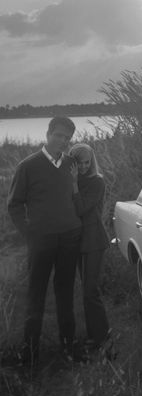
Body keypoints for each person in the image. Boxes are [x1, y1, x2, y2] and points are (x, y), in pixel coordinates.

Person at [7, 116, 82, 365]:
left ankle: (68, 348)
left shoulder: (71, 164)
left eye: (67, 138)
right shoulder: (28, 166)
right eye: (58, 135)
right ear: (48, 133)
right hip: (41, 241)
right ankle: (30, 354)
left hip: (69, 239)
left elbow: (81, 191)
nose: (62, 141)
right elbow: (14, 205)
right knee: (36, 294)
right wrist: (30, 234)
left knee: (65, 293)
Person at [68, 143, 111, 352]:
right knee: (86, 289)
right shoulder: (69, 181)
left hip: (94, 241)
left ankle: (103, 337)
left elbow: (82, 208)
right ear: (73, 162)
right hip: (78, 241)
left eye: (87, 162)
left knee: (90, 291)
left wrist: (74, 185)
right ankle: (94, 335)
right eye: (79, 163)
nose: (84, 166)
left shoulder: (97, 182)